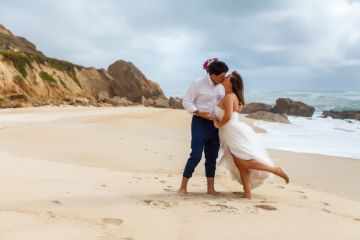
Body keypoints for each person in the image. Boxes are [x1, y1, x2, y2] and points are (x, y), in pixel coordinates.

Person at [213, 71, 289, 199]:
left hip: (231, 131)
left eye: (228, 77)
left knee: (243, 162)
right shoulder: (229, 95)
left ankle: (275, 170)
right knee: (241, 164)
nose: (225, 78)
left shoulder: (229, 96)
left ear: (232, 83)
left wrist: (216, 124)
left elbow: (227, 116)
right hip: (230, 131)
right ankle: (247, 193)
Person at [178, 58, 229, 195]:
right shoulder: (198, 83)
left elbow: (225, 103)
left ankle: (210, 189)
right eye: (222, 76)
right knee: (195, 155)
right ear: (213, 75)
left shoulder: (221, 86)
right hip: (199, 123)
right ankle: (183, 187)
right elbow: (186, 101)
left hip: (215, 124)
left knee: (212, 157)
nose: (224, 78)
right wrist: (199, 113)